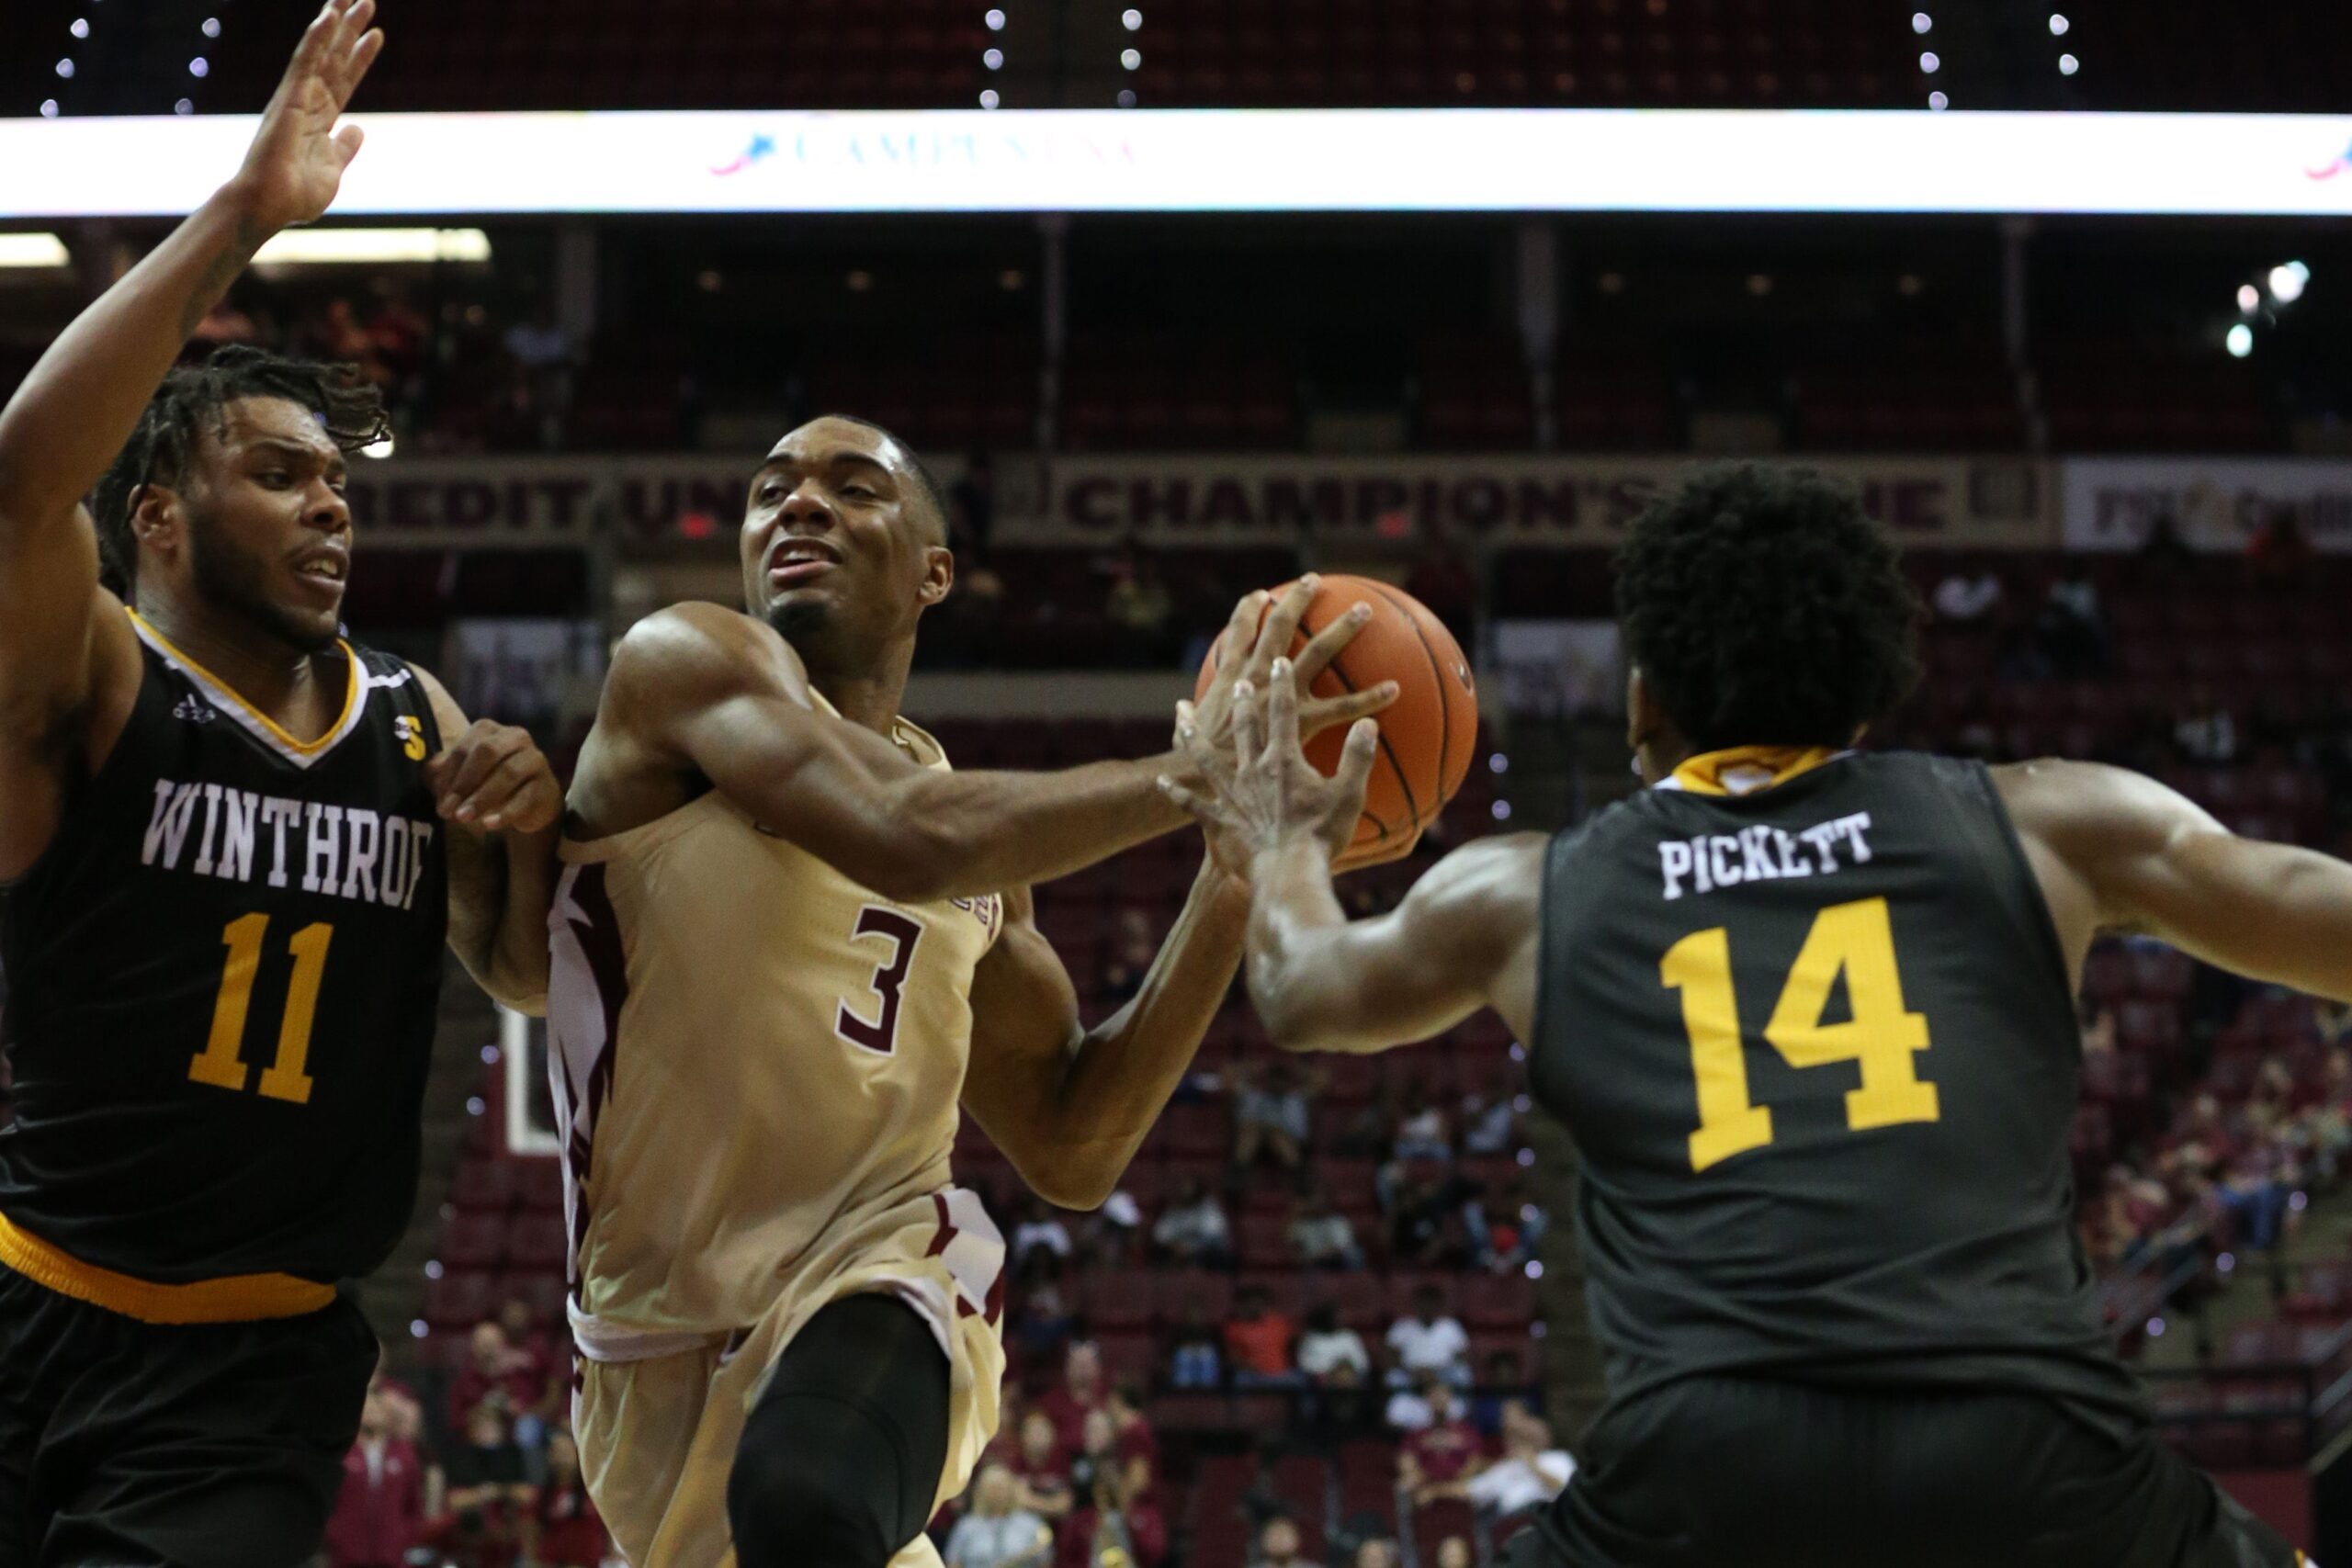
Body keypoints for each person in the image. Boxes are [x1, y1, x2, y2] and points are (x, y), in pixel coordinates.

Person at [1170, 463, 2334, 1565]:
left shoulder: (1525, 889)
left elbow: (1302, 991)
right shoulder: (2049, 821)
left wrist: (1281, 840)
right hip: (2022, 1438)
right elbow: (2298, 900)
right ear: (1870, 685)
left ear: (1642, 701)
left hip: (1709, 1460)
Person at [547, 413, 1398, 1568]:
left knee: (802, 1500)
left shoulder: (982, 855)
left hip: (881, 1268)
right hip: (646, 1350)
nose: (799, 506)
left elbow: (1073, 1143)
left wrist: (1229, 882)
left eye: (854, 489)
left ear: (934, 573)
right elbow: (901, 836)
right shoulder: (681, 661)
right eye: (771, 491)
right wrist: (1201, 775)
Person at [0, 11, 566, 1566]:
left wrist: (526, 831)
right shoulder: (96, 675)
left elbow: (516, 972)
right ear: (158, 519)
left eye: (336, 479)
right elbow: (13, 483)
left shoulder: (413, 710)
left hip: (251, 1373)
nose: (330, 502)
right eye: (277, 472)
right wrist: (239, 217)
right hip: (30, 1288)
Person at [323, 1381, 427, 1568]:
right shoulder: (342, 1453)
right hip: (346, 1556)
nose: (371, 1412)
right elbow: (327, 1501)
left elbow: (414, 1506)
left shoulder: (404, 1454)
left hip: (392, 1555)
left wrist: (403, 1536)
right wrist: (335, 1533)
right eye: (366, 1407)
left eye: (377, 1407)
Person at [525, 1432, 614, 1568]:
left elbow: (608, 1526)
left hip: (589, 1563)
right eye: (558, 1452)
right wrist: (533, 1559)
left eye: (567, 1451)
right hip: (552, 1563)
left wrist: (610, 1557)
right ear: (550, 1456)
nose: (563, 1457)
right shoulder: (541, 1495)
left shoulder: (593, 1491)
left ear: (577, 1454)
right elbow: (531, 1528)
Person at [944, 1461, 1054, 1568]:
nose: (997, 1493)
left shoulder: (1031, 1524)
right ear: (981, 1492)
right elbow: (954, 1562)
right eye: (992, 1488)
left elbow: (1044, 1561)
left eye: (1002, 1488)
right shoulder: (966, 1526)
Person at [1230, 1058, 1316, 1174]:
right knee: (1252, 1132)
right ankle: (1237, 1172)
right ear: (1267, 1080)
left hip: (1287, 1142)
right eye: (1274, 1080)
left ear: (1287, 1082)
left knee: (1277, 1136)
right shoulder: (1253, 1096)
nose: (1277, 1084)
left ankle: (1300, 1175)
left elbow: (1321, 1079)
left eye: (1281, 1080)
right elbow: (1229, 1075)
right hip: (1255, 1140)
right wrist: (1256, 1067)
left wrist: (1297, 1069)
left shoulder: (1295, 1100)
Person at [1385, 1285, 1471, 1388]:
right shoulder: (1402, 1326)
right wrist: (1415, 1372)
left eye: (1431, 1303)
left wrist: (1436, 1372)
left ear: (1439, 1305)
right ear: (1416, 1304)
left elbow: (1462, 1356)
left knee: (1463, 1373)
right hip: (1410, 1376)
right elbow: (1390, 1354)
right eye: (1423, 1302)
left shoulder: (1451, 1326)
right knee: (1393, 1376)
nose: (1427, 1307)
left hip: (1443, 1376)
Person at [1223, 1283, 1300, 1388]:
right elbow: (1233, 1358)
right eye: (1250, 1303)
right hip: (1253, 1376)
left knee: (1302, 1381)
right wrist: (1252, 1368)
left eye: (1258, 1303)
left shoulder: (1279, 1323)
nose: (1254, 1306)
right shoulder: (1234, 1327)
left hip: (1281, 1375)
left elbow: (1297, 1344)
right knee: (1239, 1379)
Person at [1151, 1176, 1234, 1267]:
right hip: (1177, 1253)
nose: (1186, 1191)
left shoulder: (1209, 1208)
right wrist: (1174, 1246)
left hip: (1205, 1254)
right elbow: (1159, 1235)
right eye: (1184, 1188)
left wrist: (1190, 1248)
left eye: (1189, 1188)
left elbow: (1214, 1236)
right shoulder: (1174, 1210)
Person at [1295, 1302, 1373, 1383]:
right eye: (1333, 1317)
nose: (1336, 1320)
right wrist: (1331, 1371)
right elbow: (1305, 1365)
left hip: (1351, 1382)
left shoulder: (1349, 1336)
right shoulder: (1311, 1339)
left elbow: (1362, 1364)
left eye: (1339, 1317)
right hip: (1320, 1384)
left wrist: (1344, 1368)